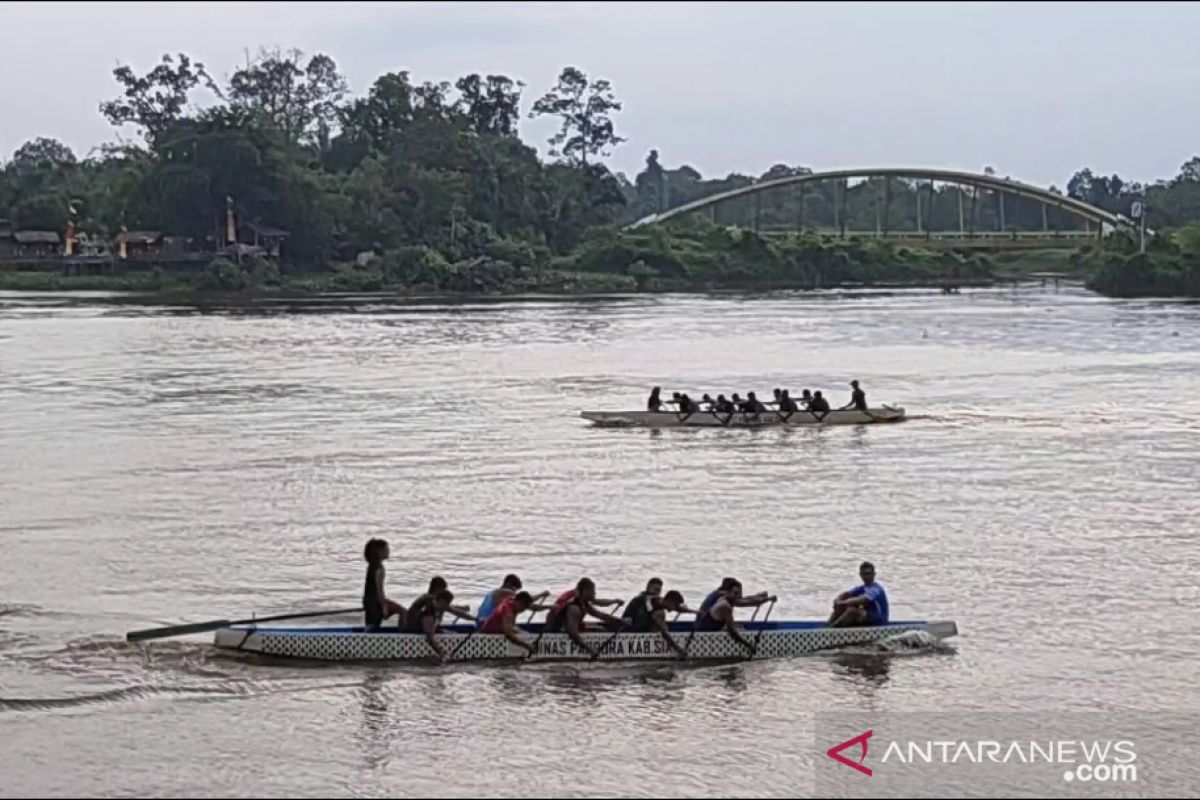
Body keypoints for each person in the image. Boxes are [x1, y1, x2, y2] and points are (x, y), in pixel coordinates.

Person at [544, 578, 625, 659]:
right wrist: (590, 650)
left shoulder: (580, 600)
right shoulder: (574, 608)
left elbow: (599, 614)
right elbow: (572, 633)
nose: (594, 593)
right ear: (585, 591)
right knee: (598, 629)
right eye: (593, 591)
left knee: (599, 628)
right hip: (557, 630)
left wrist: (619, 621)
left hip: (564, 627)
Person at [695, 581, 777, 654]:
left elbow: (744, 599)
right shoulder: (724, 605)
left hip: (705, 624)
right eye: (735, 593)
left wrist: (761, 597)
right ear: (728, 592)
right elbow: (733, 633)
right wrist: (748, 646)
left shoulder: (722, 595)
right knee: (735, 627)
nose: (738, 596)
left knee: (738, 624)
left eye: (740, 593)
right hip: (704, 632)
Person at [828, 561, 889, 628]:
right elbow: (847, 594)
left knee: (852, 612)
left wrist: (843, 603)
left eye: (869, 574)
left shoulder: (876, 589)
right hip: (867, 622)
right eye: (864, 574)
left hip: (878, 624)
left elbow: (864, 599)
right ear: (861, 575)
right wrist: (837, 599)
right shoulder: (861, 588)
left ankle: (830, 632)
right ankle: (826, 629)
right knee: (840, 608)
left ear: (874, 574)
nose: (867, 576)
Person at [363, 538, 406, 632]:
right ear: (380, 551)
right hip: (375, 602)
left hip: (368, 600)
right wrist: (384, 606)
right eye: (387, 549)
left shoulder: (372, 566)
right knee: (403, 611)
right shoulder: (379, 569)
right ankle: (402, 635)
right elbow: (379, 591)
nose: (388, 551)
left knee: (372, 624)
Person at [404, 589, 460, 662]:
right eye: (448, 603)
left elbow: (454, 611)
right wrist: (441, 652)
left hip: (415, 625)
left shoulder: (430, 601)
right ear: (441, 601)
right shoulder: (429, 611)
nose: (448, 605)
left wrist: (474, 619)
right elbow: (430, 638)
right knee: (450, 633)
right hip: (418, 630)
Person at [475, 574, 546, 629]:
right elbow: (528, 603)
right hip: (486, 627)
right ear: (508, 584)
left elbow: (526, 601)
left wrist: (541, 595)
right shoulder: (505, 592)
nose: (515, 592)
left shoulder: (492, 592)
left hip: (479, 624)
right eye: (514, 589)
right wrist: (549, 605)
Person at [480, 590, 539, 655]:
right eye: (524, 607)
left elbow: (531, 606)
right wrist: (527, 646)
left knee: (522, 632)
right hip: (489, 637)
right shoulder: (508, 613)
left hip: (493, 630)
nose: (523, 610)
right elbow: (508, 635)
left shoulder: (510, 599)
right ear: (519, 602)